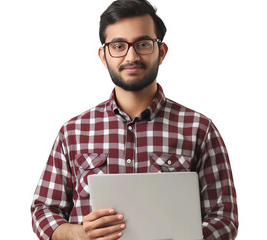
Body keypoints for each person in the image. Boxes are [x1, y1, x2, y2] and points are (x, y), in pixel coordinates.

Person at [30, 0, 238, 239]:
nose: (131, 55)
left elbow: (225, 218)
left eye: (143, 44)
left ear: (161, 52)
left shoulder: (199, 129)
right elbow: (43, 209)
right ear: (103, 55)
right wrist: (79, 234)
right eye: (118, 45)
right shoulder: (74, 131)